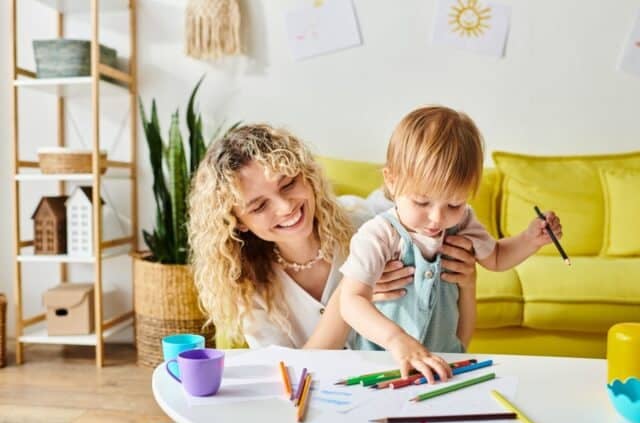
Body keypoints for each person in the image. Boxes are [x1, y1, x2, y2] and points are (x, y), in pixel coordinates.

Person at [187, 123, 478, 349]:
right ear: (237, 222)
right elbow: (294, 376)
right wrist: (353, 294)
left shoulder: (369, 227)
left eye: (288, 184)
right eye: (260, 205)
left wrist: (468, 282)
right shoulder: (251, 290)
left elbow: (454, 341)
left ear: (307, 176)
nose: (285, 206)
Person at [337, 106, 564, 382]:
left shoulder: (464, 223)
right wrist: (397, 340)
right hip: (381, 364)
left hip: (446, 363)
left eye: (454, 203)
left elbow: (497, 257)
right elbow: (350, 300)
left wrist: (531, 239)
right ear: (392, 181)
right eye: (422, 202)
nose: (437, 218)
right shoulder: (379, 234)